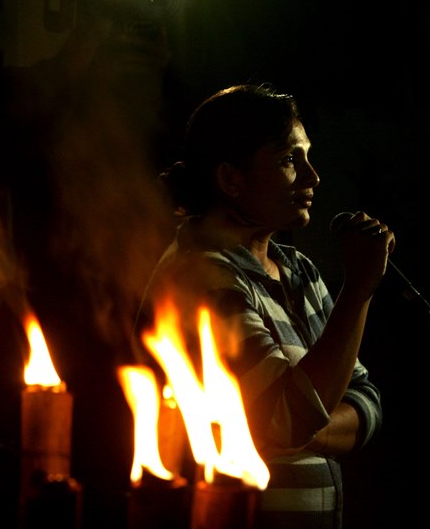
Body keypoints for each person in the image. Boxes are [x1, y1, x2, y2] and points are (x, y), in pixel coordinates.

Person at [134, 83, 384, 528]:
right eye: (290, 160)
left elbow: (366, 401)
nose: (313, 176)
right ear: (231, 178)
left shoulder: (299, 271)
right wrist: (358, 291)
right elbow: (289, 419)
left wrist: (304, 423)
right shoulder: (202, 278)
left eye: (307, 157)